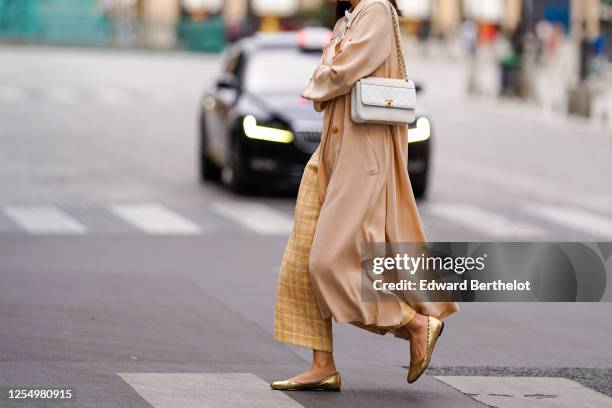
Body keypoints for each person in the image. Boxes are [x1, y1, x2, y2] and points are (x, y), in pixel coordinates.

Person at [271, 0, 458, 391]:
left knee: (328, 264)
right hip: (330, 154)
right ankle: (322, 363)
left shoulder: (375, 10)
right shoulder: (348, 18)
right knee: (302, 259)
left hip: (361, 156)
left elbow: (339, 72)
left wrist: (318, 79)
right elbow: (335, 68)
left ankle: (415, 324)